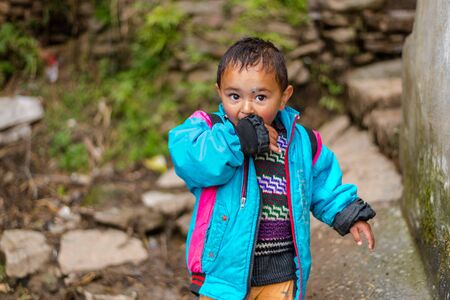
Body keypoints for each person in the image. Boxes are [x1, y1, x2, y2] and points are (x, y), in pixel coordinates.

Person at [168, 37, 376, 300]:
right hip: (223, 274)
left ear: (283, 98)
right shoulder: (211, 131)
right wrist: (240, 139)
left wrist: (348, 213)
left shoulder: (302, 143)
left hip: (282, 273)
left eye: (260, 97)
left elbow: (323, 185)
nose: (246, 108)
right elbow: (190, 160)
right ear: (219, 91)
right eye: (234, 96)